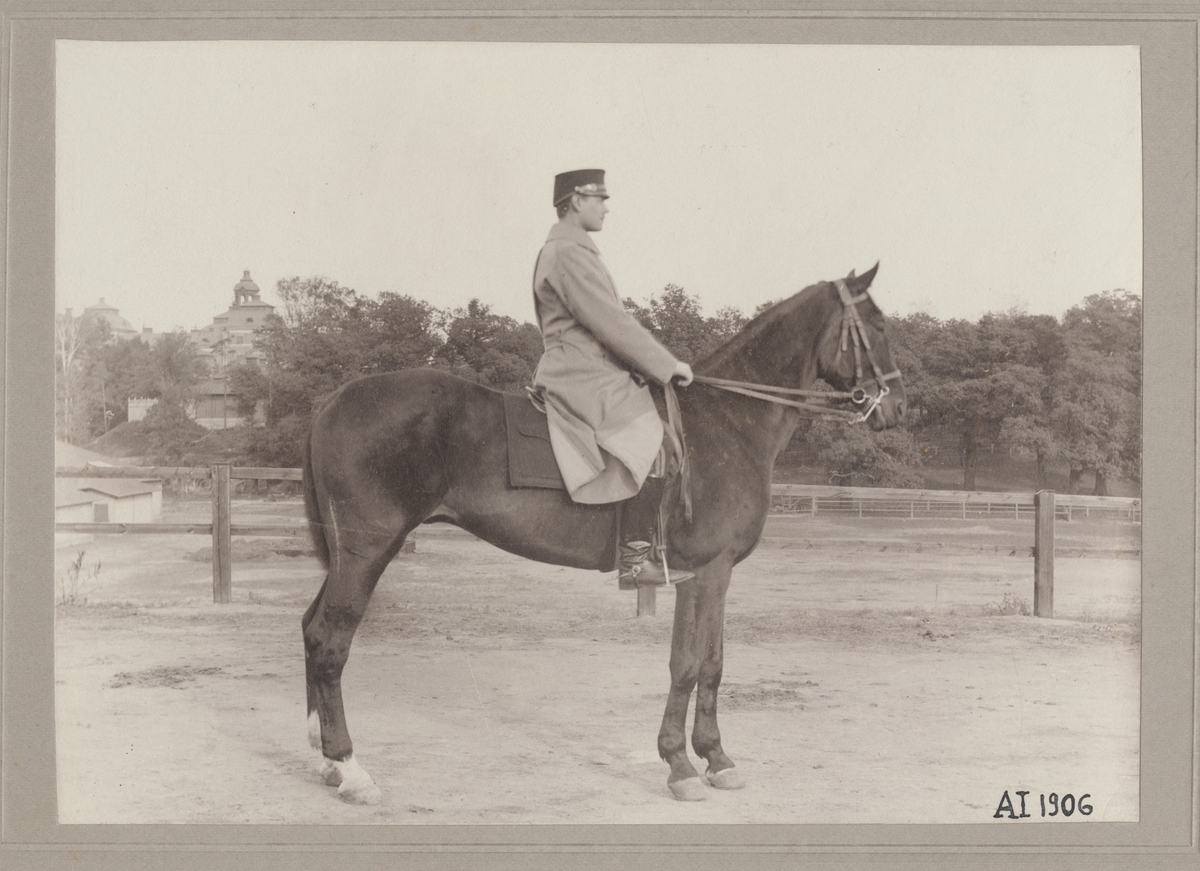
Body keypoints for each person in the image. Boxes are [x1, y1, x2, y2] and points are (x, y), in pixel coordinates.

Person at [531, 168, 695, 588]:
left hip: (588, 368)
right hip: (580, 373)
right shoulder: (567, 252)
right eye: (598, 198)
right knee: (654, 441)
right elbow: (609, 322)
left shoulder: (572, 250)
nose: (606, 207)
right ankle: (635, 560)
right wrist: (667, 366)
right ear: (574, 201)